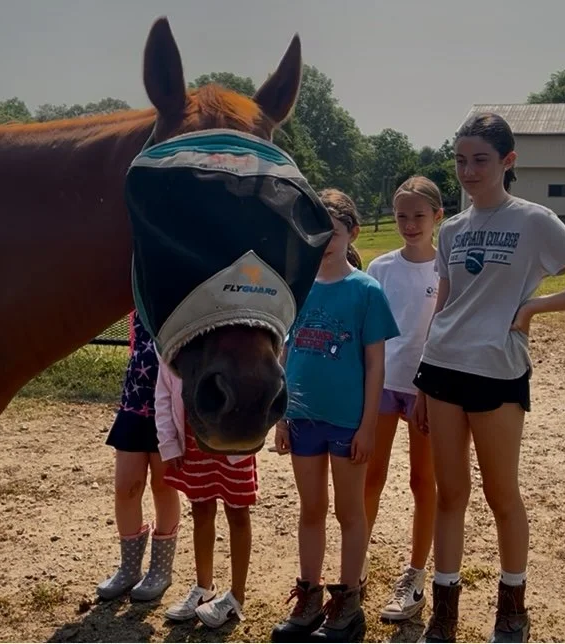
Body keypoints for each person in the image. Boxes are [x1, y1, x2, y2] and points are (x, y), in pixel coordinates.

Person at [412, 113, 565, 642]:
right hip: (441, 370)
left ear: (508, 161)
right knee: (449, 494)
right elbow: (445, 303)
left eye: (480, 159)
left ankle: (512, 605)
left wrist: (532, 309)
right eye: (460, 160)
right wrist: (420, 380)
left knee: (502, 494)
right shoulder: (453, 229)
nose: (468, 171)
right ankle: (445, 610)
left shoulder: (535, 221)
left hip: (497, 372)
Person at [270, 188, 400, 643]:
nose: (325, 240)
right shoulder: (297, 285)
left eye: (335, 230)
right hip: (303, 419)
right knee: (311, 510)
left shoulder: (366, 291)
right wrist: (282, 416)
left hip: (348, 424)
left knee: (349, 512)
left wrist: (368, 426)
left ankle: (347, 603)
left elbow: (376, 365)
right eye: (317, 230)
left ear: (352, 233)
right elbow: (283, 353)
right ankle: (308, 598)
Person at [362, 176, 443, 622]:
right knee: (370, 476)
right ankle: (358, 562)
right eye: (401, 216)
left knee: (421, 481)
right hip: (383, 385)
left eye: (418, 215)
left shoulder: (444, 268)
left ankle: (415, 574)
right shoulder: (381, 268)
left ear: (437, 217)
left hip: (426, 390)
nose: (410, 224)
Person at [155, 349, 257, 628]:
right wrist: (169, 442)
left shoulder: (234, 330)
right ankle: (204, 588)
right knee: (200, 509)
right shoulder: (172, 339)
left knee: (237, 512)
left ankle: (236, 596)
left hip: (234, 438)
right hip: (193, 439)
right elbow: (163, 393)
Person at [96, 311, 182, 602]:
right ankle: (129, 569)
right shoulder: (137, 303)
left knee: (163, 486)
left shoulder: (179, 303)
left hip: (167, 414)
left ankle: (161, 570)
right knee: (126, 487)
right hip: (133, 408)